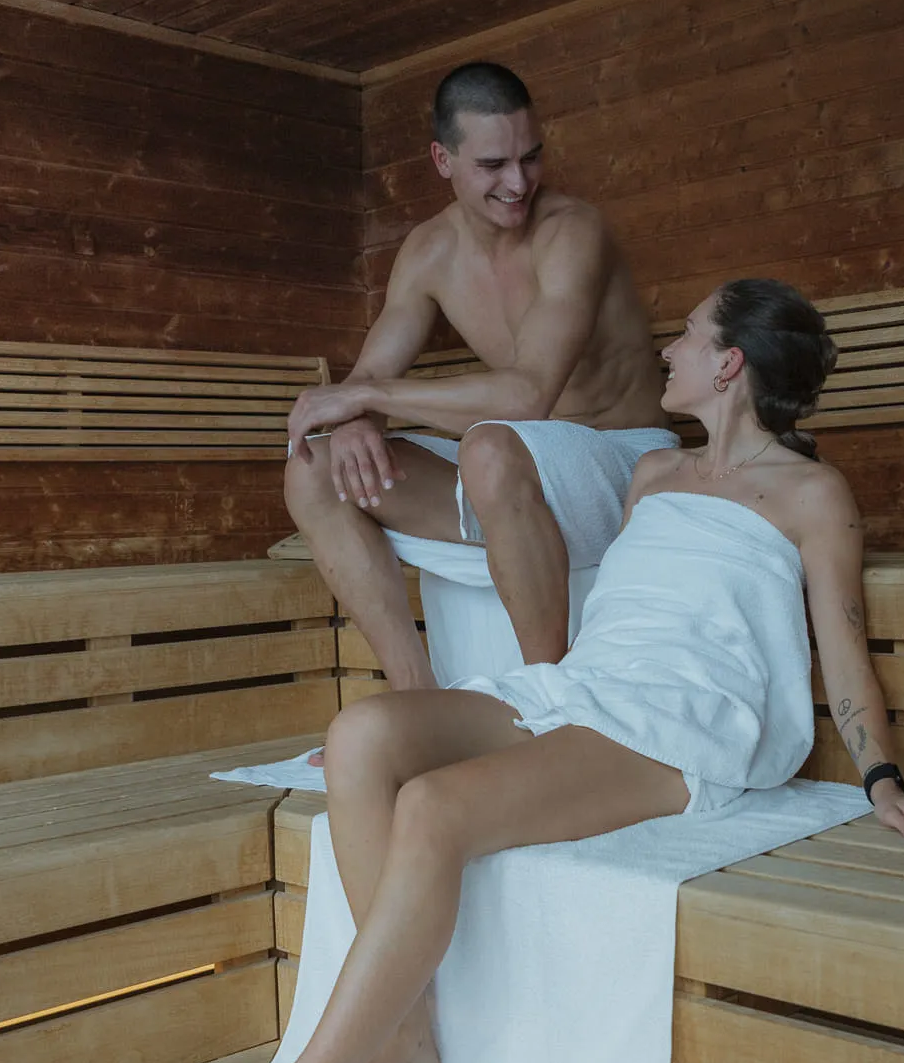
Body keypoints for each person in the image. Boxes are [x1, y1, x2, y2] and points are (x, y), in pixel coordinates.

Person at [116, 278, 904, 1063]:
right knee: (365, 737)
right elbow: (601, 587)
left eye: (691, 335)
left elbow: (841, 638)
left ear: (730, 363)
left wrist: (879, 776)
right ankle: (403, 1041)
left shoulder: (811, 495)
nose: (669, 349)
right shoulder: (652, 472)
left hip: (688, 719)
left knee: (438, 809)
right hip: (592, 687)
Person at [283, 60, 675, 687]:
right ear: (443, 159)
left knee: (491, 444)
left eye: (530, 157)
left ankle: (549, 699)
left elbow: (530, 393)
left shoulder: (573, 233)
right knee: (313, 471)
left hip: (625, 464)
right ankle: (418, 698)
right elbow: (373, 373)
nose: (518, 183)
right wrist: (358, 416)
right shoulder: (430, 251)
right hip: (518, 473)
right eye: (492, 166)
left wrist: (366, 396)